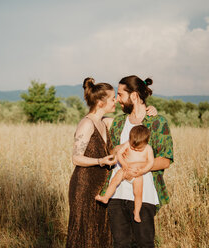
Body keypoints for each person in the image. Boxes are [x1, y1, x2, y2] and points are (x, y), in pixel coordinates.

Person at [66, 77, 157, 248]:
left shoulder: (105, 122)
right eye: (112, 97)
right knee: (84, 231)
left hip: (101, 185)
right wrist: (100, 160)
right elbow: (76, 158)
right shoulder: (86, 123)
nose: (116, 100)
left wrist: (150, 109)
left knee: (99, 232)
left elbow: (133, 120)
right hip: (84, 185)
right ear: (100, 102)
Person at [102, 75, 174, 248]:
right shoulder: (119, 122)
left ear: (134, 96)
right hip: (117, 194)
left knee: (144, 243)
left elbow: (165, 160)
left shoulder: (157, 122)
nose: (117, 99)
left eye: (120, 94)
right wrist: (117, 151)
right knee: (120, 244)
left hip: (144, 194)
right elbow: (111, 153)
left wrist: (138, 168)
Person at [95, 125, 154, 223]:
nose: (134, 149)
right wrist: (124, 164)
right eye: (132, 147)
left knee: (138, 194)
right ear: (130, 139)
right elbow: (119, 154)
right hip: (125, 169)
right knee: (114, 181)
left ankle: (136, 212)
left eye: (139, 149)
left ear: (146, 142)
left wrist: (142, 171)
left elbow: (150, 163)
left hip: (137, 174)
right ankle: (106, 197)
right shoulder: (127, 144)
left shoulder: (148, 149)